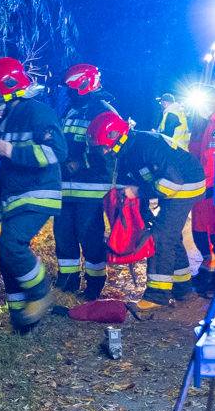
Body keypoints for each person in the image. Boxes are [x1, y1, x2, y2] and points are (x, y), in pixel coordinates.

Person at [0, 57, 67, 331]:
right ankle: (21, 317)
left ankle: (40, 293)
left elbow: (57, 152)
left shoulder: (37, 112)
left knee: (12, 245)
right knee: (5, 254)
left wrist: (14, 152)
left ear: (7, 88)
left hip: (38, 193)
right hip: (16, 195)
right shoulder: (6, 119)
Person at [87, 111, 205, 312]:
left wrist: (139, 192)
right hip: (172, 184)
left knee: (161, 236)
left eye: (105, 147)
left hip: (186, 185)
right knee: (170, 235)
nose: (104, 152)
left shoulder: (145, 146)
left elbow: (171, 184)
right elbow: (134, 181)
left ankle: (157, 295)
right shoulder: (126, 149)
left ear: (116, 136)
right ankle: (182, 286)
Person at [54, 63, 116, 300]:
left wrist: (81, 163)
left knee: (90, 235)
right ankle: (67, 280)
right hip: (66, 185)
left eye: (71, 88)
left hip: (91, 186)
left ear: (83, 85)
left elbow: (110, 150)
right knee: (63, 234)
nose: (67, 93)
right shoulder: (72, 109)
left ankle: (94, 283)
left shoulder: (103, 111)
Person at [189, 96, 215, 296]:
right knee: (200, 231)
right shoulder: (203, 125)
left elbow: (210, 157)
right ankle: (207, 269)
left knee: (210, 232)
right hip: (202, 186)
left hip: (209, 186)